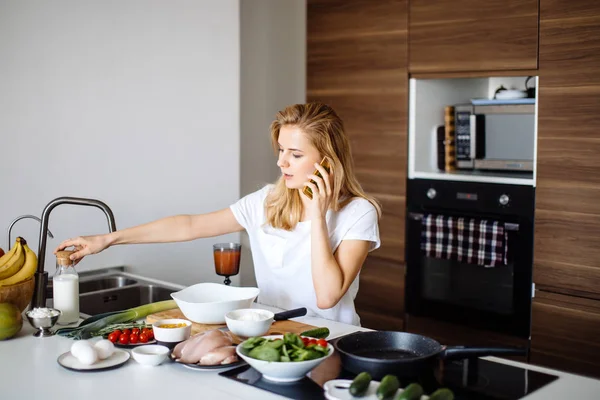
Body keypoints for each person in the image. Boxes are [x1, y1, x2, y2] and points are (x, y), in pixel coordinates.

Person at [54, 102, 381, 326]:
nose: (281, 162)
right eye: (281, 150)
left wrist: (317, 215)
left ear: (328, 160)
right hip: (271, 333)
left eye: (295, 154)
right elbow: (189, 225)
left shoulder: (358, 213)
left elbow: (326, 297)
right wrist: (108, 239)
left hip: (334, 340)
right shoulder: (267, 201)